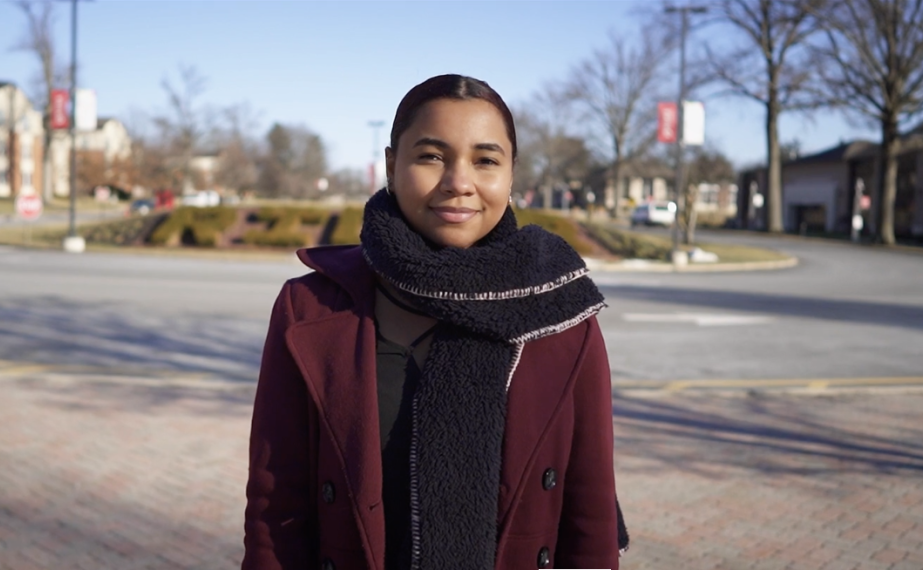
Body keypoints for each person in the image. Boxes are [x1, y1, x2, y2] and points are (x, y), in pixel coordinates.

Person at [242, 74, 627, 570]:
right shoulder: (310, 309)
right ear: (391, 165)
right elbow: (277, 505)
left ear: (511, 175)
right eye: (431, 156)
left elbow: (588, 512)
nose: (458, 182)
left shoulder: (556, 312)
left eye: (485, 160)